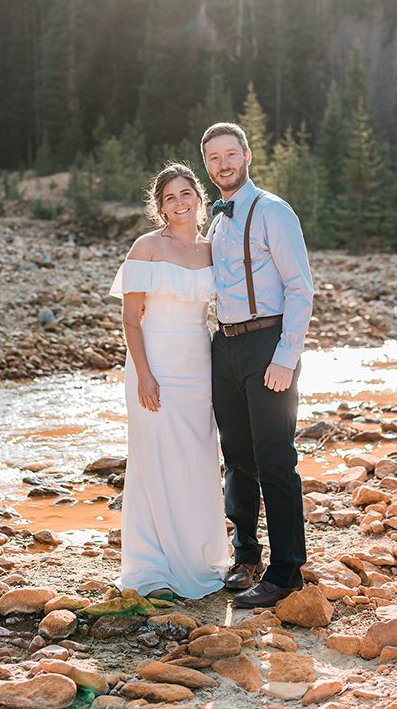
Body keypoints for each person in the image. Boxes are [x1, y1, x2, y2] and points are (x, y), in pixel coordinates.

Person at [202, 122, 314, 609]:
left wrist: (286, 358)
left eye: (230, 154)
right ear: (207, 166)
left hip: (268, 342)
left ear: (246, 155)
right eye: (213, 158)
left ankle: (287, 570)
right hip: (223, 347)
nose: (223, 164)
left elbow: (299, 288)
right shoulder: (216, 220)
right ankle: (246, 555)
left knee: (275, 458)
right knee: (237, 458)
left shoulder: (273, 211)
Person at [109, 163, 231, 599]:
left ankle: (200, 559)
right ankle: (152, 567)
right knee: (154, 460)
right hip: (154, 362)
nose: (180, 204)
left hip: (199, 364)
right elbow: (130, 319)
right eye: (170, 198)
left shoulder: (212, 248)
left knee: (197, 459)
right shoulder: (146, 247)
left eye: (186, 194)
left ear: (199, 198)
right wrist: (145, 375)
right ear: (160, 207)